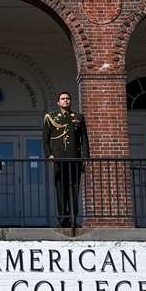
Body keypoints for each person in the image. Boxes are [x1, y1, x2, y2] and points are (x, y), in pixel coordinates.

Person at [42, 92, 89, 228]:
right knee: (61, 189)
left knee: (74, 189)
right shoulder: (51, 117)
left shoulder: (78, 117)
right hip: (59, 158)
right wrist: (49, 155)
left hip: (75, 157)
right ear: (58, 102)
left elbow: (84, 139)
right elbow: (45, 140)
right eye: (63, 99)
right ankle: (63, 219)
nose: (65, 101)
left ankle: (74, 218)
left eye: (68, 99)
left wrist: (85, 155)